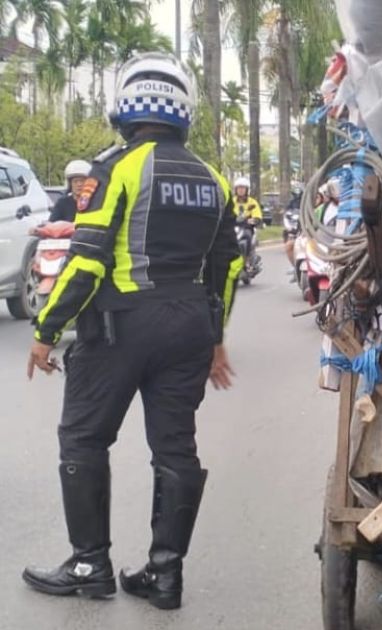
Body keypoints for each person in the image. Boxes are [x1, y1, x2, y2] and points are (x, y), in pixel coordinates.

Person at [22, 51, 243, 611]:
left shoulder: (115, 167)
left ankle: (89, 564)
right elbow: (228, 270)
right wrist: (216, 339)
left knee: (83, 438)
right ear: (182, 113)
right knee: (175, 447)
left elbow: (88, 259)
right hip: (190, 325)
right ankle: (165, 576)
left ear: (126, 109)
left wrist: (46, 326)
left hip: (122, 324)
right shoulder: (212, 178)